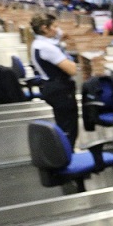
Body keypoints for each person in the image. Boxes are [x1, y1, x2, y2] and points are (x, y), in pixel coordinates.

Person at [30, 12, 79, 144]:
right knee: (69, 129)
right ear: (45, 28)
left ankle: (65, 152)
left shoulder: (38, 43)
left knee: (64, 125)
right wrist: (71, 56)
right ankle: (68, 154)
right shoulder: (47, 48)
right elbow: (72, 70)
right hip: (60, 91)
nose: (57, 29)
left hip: (51, 87)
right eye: (55, 26)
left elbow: (59, 38)